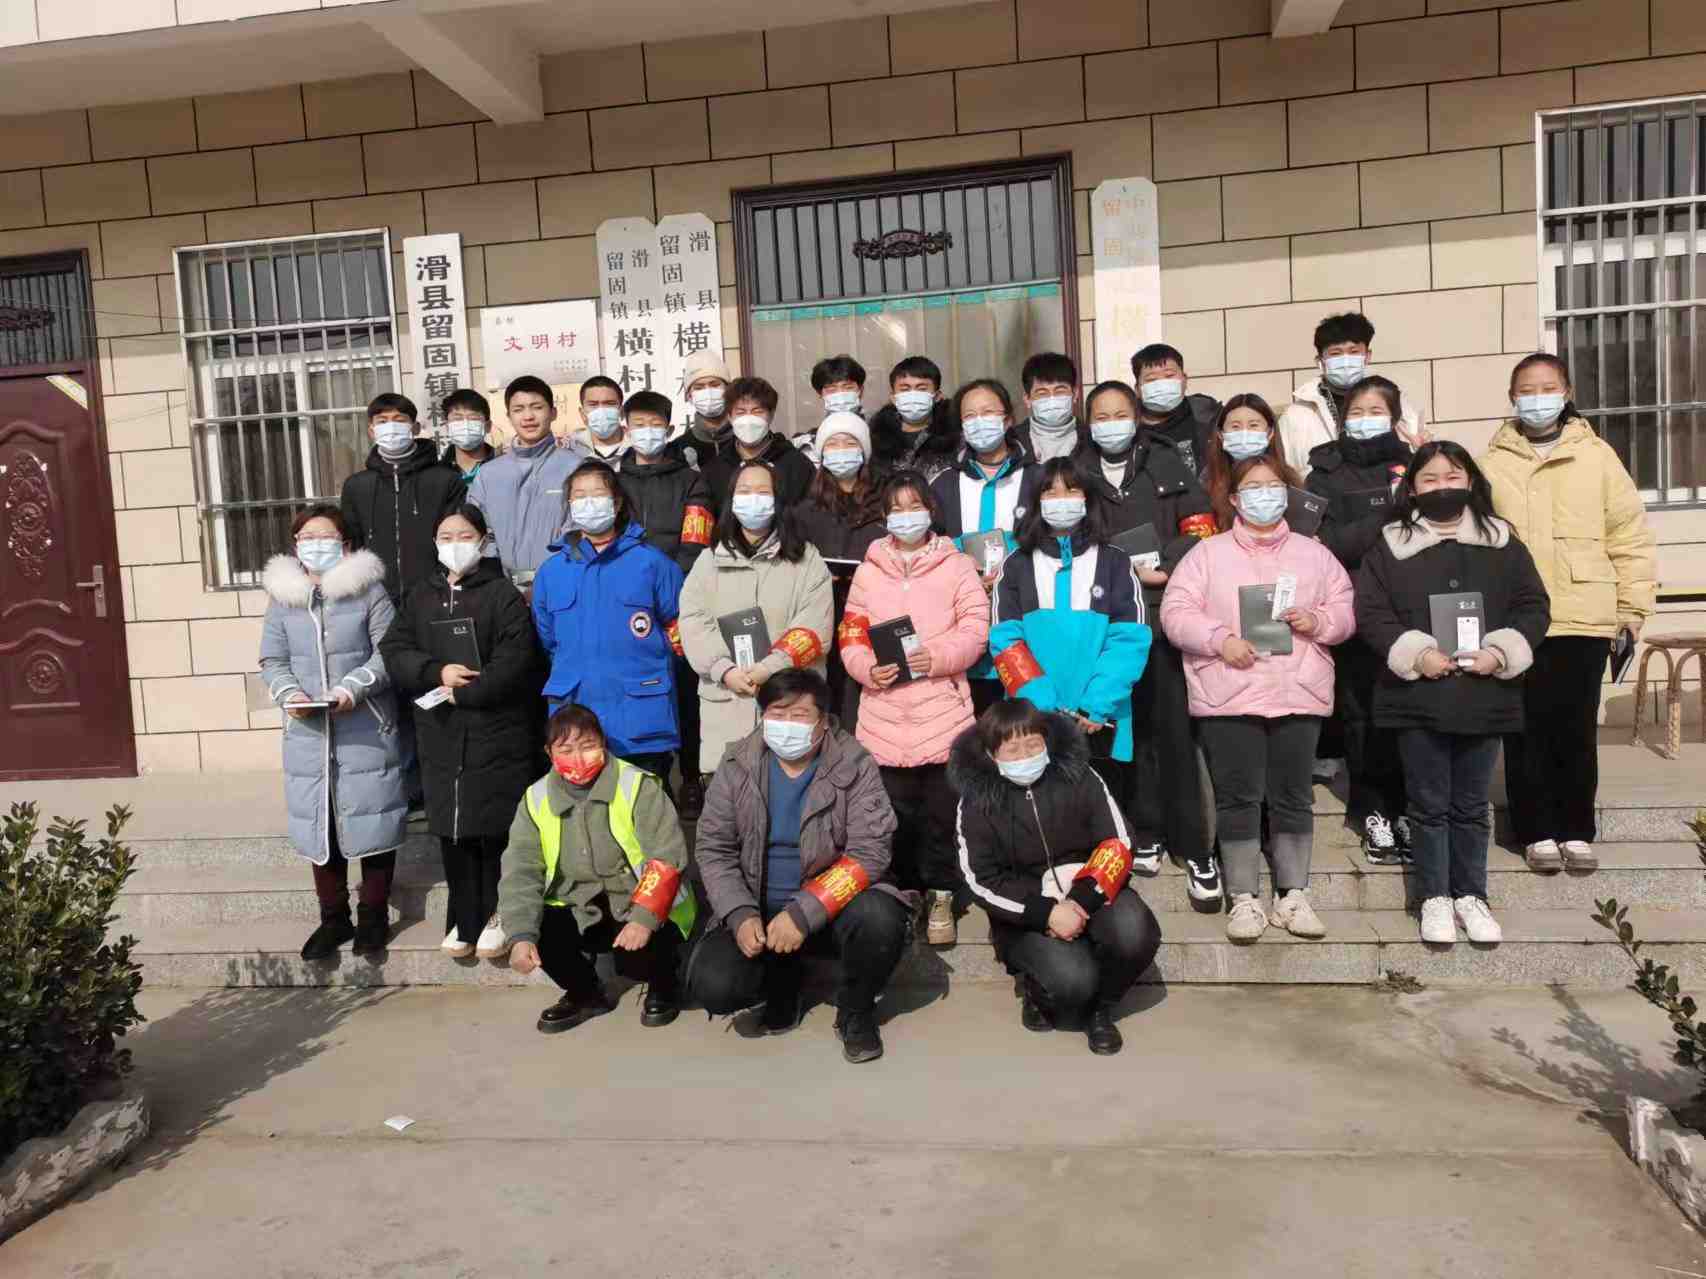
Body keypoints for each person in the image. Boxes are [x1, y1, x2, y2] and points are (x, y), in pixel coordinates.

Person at [1355, 442, 1550, 945]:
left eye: (1452, 477)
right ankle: (1434, 897)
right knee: (1428, 804)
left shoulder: (1502, 541)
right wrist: (1416, 653)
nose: (1442, 487)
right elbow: (1371, 612)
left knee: (1470, 804)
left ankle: (1472, 895)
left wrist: (1500, 652)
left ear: (1471, 481)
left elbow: (1533, 605)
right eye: (1430, 479)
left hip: (1484, 695)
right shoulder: (1390, 545)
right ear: (1412, 488)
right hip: (1417, 698)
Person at [1160, 456, 1355, 943]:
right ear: (1233, 499)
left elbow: (1345, 608)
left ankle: (1293, 894)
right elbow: (1176, 611)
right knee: (1238, 797)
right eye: (1252, 487)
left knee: (1293, 796)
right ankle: (1244, 896)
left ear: (1287, 494)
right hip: (1231, 690)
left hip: (1298, 689)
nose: (1264, 495)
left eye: (1273, 486)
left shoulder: (1314, 554)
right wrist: (1219, 639)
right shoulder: (1206, 555)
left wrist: (1318, 621)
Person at [1479, 353, 1657, 872]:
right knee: (1523, 727)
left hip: (1584, 612)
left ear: (1567, 393)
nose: (1537, 398)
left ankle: (1576, 828)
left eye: (1548, 387)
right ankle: (1535, 830)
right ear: (1512, 398)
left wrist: (1632, 607)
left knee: (1575, 726)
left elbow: (1628, 533)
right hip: (1516, 617)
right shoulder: (1490, 463)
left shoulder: (1597, 456)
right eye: (1526, 390)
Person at [688, 668, 913, 1064]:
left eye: (800, 715)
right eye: (777, 713)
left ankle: (856, 1010)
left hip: (831, 908)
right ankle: (782, 981)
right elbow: (713, 848)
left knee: (880, 918)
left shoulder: (855, 763)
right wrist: (739, 914)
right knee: (715, 985)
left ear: (823, 721)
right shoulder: (737, 763)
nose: (787, 725)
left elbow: (870, 850)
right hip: (758, 906)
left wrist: (804, 912)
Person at [1075, 380, 1221, 906]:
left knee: (1173, 735)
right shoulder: (1077, 469)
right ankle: (1143, 831)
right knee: (1121, 736)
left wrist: (1167, 561)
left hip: (1162, 615)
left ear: (1136, 417)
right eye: (1100, 415)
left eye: (1120, 413)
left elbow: (1201, 525)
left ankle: (1196, 848)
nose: (1110, 423)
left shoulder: (1165, 461)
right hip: (1104, 625)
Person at [949, 700, 1163, 1055]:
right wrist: (1046, 912)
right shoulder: (976, 800)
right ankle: (1036, 989)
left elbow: (1119, 841)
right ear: (991, 754)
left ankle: (1101, 1009)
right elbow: (979, 878)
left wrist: (1081, 899)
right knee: (1072, 981)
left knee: (1134, 932)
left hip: (1091, 887)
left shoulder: (1079, 774)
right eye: (1012, 749)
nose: (1025, 755)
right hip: (1027, 908)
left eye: (1033, 744)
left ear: (1046, 741)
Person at [379, 504, 544, 961]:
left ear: (484, 541)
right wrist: (436, 672)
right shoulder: (420, 595)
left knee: (492, 826)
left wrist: (469, 691)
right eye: (446, 537)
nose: (456, 545)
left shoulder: (502, 594)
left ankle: (498, 914)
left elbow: (517, 659)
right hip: (441, 730)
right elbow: (394, 648)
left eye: (465, 536)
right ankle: (463, 917)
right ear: (434, 543)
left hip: (496, 728)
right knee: (452, 828)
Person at [840, 471, 990, 946]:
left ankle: (943, 894)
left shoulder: (957, 565)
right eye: (896, 508)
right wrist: (866, 668)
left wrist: (938, 656)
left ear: (930, 510)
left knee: (942, 816)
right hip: (883, 717)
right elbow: (851, 634)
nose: (906, 516)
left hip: (942, 713)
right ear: (884, 516)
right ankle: (902, 897)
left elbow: (975, 628)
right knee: (891, 818)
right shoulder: (868, 570)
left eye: (915, 506)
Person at [258, 506, 406, 960]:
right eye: (306, 536)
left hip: (365, 726)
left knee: (373, 818)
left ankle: (373, 916)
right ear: (295, 544)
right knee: (320, 826)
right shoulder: (283, 598)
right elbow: (272, 660)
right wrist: (290, 695)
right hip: (309, 732)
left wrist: (352, 688)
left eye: (325, 536)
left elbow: (390, 652)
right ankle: (333, 918)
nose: (314, 544)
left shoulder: (368, 591)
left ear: (345, 544)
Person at [988, 456, 1152, 863]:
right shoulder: (1016, 564)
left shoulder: (1115, 562)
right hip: (1036, 718)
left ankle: (1106, 882)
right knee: (1043, 816)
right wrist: (1040, 705)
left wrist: (1098, 703)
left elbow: (1130, 639)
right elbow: (1005, 640)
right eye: (1050, 491)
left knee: (1103, 813)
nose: (1061, 499)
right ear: (1035, 502)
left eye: (1072, 489)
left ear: (1088, 499)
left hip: (1100, 718)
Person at [500, 703, 695, 1033]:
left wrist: (643, 918)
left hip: (636, 898)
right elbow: (520, 870)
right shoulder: (535, 798)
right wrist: (520, 935)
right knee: (540, 927)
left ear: (603, 743)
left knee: (643, 952)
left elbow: (666, 856)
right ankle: (586, 994)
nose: (578, 757)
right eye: (566, 749)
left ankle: (665, 984)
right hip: (578, 903)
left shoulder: (638, 785)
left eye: (588, 745)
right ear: (549, 753)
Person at [1304, 375, 1414, 865]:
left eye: (1376, 411)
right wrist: (1391, 513)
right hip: (1351, 609)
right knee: (1360, 715)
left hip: (1410, 609)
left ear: (1395, 417)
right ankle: (1371, 811)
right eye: (1356, 411)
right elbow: (1325, 542)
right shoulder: (1324, 470)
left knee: (1408, 712)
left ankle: (1406, 808)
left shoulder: (1418, 464)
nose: (1365, 420)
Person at [677, 458, 834, 776]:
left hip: (790, 708)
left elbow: (814, 627)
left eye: (763, 491)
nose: (753, 499)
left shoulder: (807, 560)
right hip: (727, 706)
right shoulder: (709, 561)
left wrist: (768, 669)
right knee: (730, 800)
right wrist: (723, 670)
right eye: (744, 490)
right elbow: (693, 622)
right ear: (732, 500)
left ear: (778, 500)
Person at [532, 460, 685, 781]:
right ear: (569, 504)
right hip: (576, 717)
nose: (589, 503)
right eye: (579, 496)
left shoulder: (653, 564)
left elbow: (679, 632)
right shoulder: (551, 572)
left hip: (640, 716)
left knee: (646, 804)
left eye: (597, 494)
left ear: (616, 503)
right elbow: (549, 640)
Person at [615, 388, 716, 816]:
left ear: (670, 429)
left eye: (655, 425)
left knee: (687, 694)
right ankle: (651, 781)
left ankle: (691, 777)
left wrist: (667, 594)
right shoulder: (613, 483)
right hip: (628, 605)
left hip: (679, 603)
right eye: (638, 425)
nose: (647, 432)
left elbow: (695, 541)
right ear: (626, 429)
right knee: (641, 692)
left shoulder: (692, 481)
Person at [929, 378, 1043, 717]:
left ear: (1008, 420)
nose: (980, 422)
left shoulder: (1039, 479)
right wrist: (962, 571)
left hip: (1025, 622)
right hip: (962, 629)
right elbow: (928, 548)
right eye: (970, 415)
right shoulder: (944, 484)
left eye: (988, 412)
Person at [794, 411, 887, 725]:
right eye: (833, 444)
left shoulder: (885, 504)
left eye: (850, 443)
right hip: (826, 616)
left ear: (864, 451)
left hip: (875, 616)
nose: (842, 451)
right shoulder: (806, 510)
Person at [467, 375, 589, 593]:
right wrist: (497, 580)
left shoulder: (576, 467)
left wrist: (550, 575)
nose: (528, 416)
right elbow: (477, 530)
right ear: (509, 416)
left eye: (537, 407)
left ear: (553, 413)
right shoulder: (489, 473)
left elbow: (580, 529)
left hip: (562, 585)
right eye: (519, 409)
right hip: (502, 590)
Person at [339, 392, 463, 599]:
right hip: (375, 595)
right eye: (382, 421)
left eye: (399, 420)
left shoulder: (445, 480)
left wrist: (442, 582)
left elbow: (455, 538)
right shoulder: (357, 486)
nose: (391, 427)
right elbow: (352, 544)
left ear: (415, 428)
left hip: (434, 593)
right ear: (371, 431)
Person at [1279, 312, 1429, 476]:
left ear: (1367, 356)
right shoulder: (1297, 415)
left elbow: (1421, 464)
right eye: (1336, 353)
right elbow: (1285, 472)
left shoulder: (1398, 404)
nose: (1346, 361)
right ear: (1320, 361)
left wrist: (1422, 453)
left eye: (1354, 351)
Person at [693, 375, 814, 511]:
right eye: (741, 412)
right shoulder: (715, 470)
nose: (749, 419)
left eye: (757, 411)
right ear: (729, 417)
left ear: (771, 415)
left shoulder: (797, 465)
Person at [1130, 342, 1221, 476]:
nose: (1161, 385)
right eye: (1151, 379)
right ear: (1137, 389)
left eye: (1169, 376)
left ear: (1184, 380)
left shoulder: (1210, 415)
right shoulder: (1128, 431)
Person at [1203, 393, 1290, 532]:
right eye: (1235, 426)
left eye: (1253, 425)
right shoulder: (1207, 481)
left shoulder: (1288, 478)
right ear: (1221, 434)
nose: (1244, 433)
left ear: (1270, 432)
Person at [869, 355, 960, 480]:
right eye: (904, 389)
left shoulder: (955, 435)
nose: (912, 395)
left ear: (937, 396)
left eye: (921, 389)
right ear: (893, 397)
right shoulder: (877, 437)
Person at [665, 352, 734, 474]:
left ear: (728, 389)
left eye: (714, 385)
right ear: (689, 397)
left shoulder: (746, 439)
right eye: (699, 387)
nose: (708, 392)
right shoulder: (679, 449)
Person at [1017, 351, 1080, 463]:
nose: (1052, 399)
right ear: (1027, 399)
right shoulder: (1012, 442)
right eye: (1042, 393)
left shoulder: (1093, 440)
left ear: (1075, 394)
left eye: (1060, 391)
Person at [440, 388, 497, 485]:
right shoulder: (437, 473)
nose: (465, 424)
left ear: (488, 426)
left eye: (473, 418)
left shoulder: (504, 466)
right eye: (457, 418)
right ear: (447, 427)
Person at [576, 374, 627, 461]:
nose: (601, 411)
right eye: (593, 404)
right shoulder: (571, 449)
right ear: (582, 413)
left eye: (610, 404)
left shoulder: (638, 447)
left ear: (621, 411)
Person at [811, 353, 868, 420]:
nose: (841, 394)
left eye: (848, 388)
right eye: (831, 390)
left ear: (860, 390)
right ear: (820, 393)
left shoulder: (875, 425)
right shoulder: (823, 427)